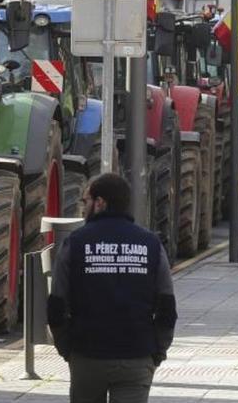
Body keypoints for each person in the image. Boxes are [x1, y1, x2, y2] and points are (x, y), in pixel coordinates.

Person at [48, 173, 177, 403]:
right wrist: (157, 350)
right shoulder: (151, 244)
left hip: (87, 355)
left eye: (85, 201)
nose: (83, 207)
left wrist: (67, 348)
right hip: (137, 355)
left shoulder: (75, 243)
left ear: (100, 203)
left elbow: (56, 304)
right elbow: (167, 306)